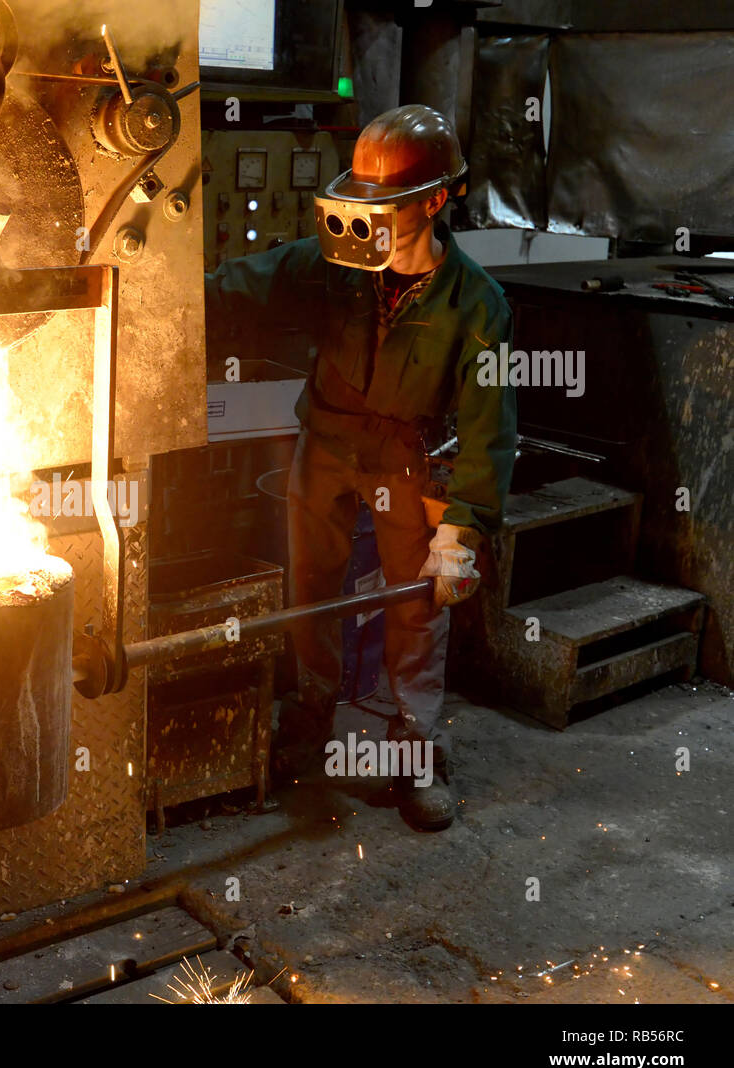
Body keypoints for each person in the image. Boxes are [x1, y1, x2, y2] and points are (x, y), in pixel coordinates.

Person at [204, 104, 518, 831]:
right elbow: (240, 288)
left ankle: (417, 751)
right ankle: (312, 712)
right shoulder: (334, 267)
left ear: (436, 200)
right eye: (361, 202)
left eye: (386, 205)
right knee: (310, 581)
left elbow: (489, 427)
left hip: (409, 457)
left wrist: (462, 530)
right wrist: (155, 300)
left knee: (416, 604)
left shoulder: (479, 306)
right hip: (328, 441)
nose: (365, 218)